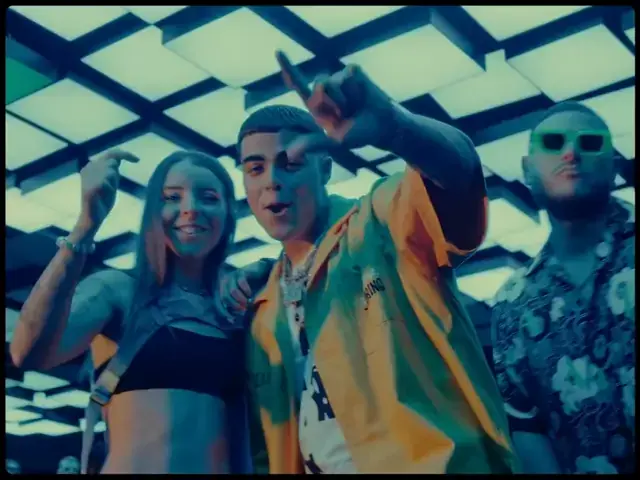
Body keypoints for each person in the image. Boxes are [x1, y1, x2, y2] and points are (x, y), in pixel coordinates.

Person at [235, 51, 519, 473]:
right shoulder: (262, 308)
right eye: (255, 168)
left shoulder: (379, 221)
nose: (272, 180)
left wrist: (398, 129)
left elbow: (459, 178)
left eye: (290, 162)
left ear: (325, 170)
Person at [10, 149, 262, 474]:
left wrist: (269, 270)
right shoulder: (118, 291)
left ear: (228, 214)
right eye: (172, 197)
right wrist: (86, 225)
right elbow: (27, 352)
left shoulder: (237, 310)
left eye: (209, 197)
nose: (191, 208)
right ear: (153, 212)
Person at [490, 102, 635, 474]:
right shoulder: (511, 304)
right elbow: (527, 425)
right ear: (527, 170)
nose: (571, 153)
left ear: (614, 165)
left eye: (589, 142)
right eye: (554, 143)